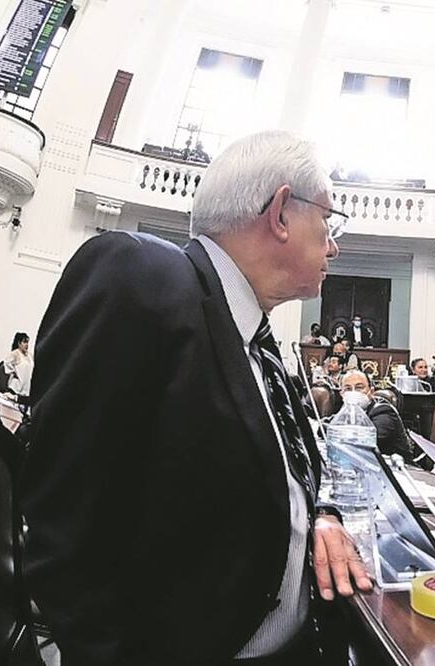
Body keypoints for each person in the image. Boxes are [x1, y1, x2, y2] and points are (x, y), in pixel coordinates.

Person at [22, 131, 371, 666]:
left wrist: (320, 513)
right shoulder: (138, 275)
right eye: (329, 221)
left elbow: (293, 460)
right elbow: (65, 523)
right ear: (280, 212)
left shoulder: (257, 333)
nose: (334, 244)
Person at [340, 369, 412, 460]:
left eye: (359, 388)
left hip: (399, 469)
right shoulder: (347, 410)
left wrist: (338, 432)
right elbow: (325, 425)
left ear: (371, 391)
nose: (353, 392)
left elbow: (369, 440)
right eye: (348, 389)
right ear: (342, 394)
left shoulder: (383, 410)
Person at [3, 331, 34, 400]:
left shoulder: (30, 355)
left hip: (26, 389)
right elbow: (6, 362)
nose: (26, 345)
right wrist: (14, 372)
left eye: (27, 342)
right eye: (24, 342)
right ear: (19, 343)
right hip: (16, 388)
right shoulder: (15, 353)